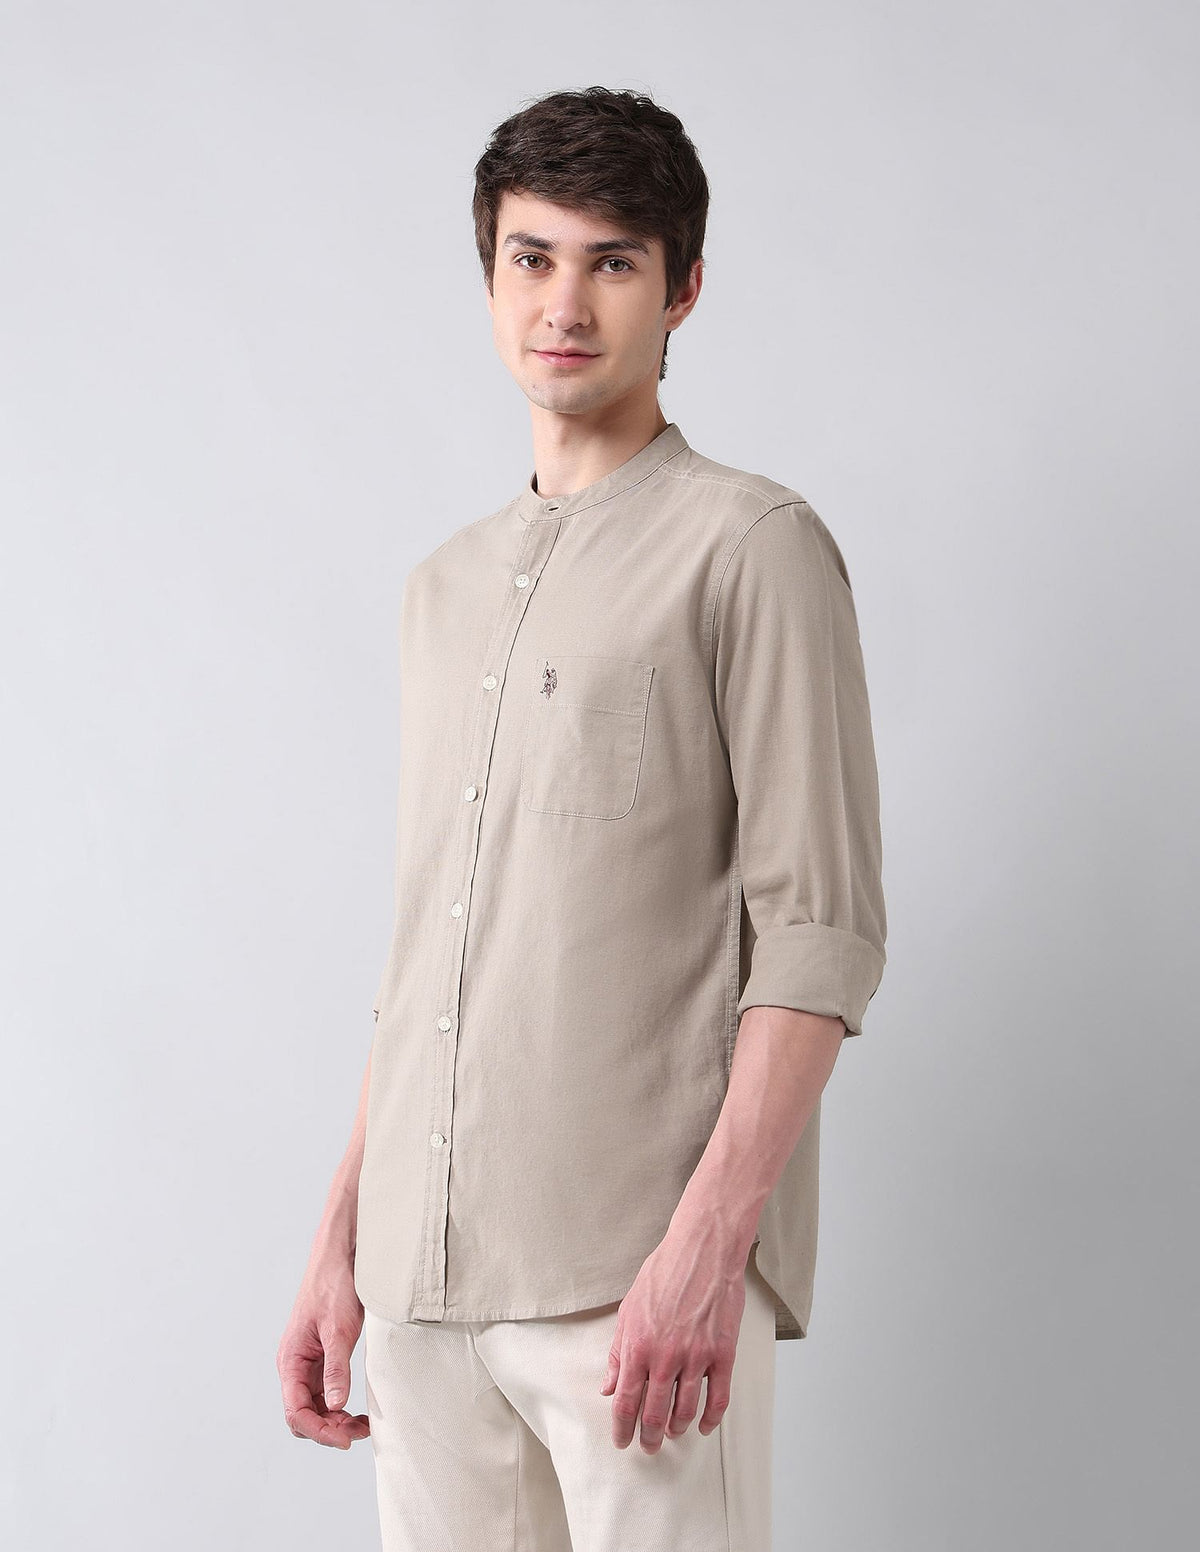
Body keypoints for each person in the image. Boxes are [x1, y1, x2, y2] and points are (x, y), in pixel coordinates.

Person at [277, 85, 888, 1551]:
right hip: (421, 1293)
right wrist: (341, 1233)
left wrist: (710, 1246)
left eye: (613, 261)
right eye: (531, 257)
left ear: (683, 288)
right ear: (489, 277)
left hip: (635, 1282)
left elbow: (820, 936)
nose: (564, 303)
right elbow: (430, 949)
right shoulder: (441, 587)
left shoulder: (753, 547)